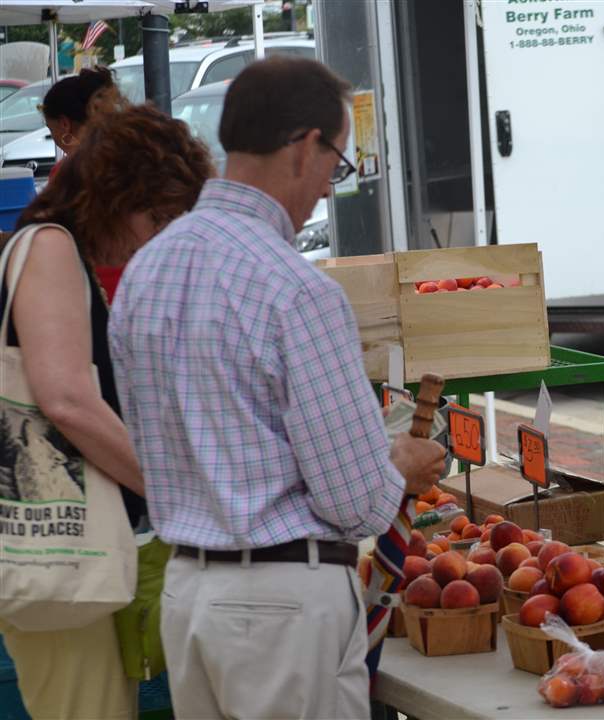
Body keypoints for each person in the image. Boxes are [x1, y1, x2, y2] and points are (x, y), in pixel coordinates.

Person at [108, 57, 447, 719]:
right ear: (304, 146)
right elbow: (355, 505)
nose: (328, 188)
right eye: (337, 163)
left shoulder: (146, 272)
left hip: (187, 589)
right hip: (282, 603)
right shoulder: (296, 289)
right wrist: (398, 467)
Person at [0, 104, 214, 719]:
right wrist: (175, 490)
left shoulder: (54, 249)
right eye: (159, 215)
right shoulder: (50, 248)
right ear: (117, 195)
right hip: (61, 558)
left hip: (64, 558)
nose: (159, 235)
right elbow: (67, 399)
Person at [39, 66, 129, 301]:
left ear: (64, 125)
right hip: (139, 288)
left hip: (98, 294)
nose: (57, 141)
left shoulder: (68, 173)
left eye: (51, 130)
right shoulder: (131, 159)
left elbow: (51, 236)